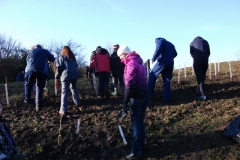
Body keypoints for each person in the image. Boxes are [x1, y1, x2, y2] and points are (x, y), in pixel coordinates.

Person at [117, 45, 149, 159]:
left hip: (136, 98)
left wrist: (125, 102)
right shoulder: (139, 62)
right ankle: (142, 147)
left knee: (136, 124)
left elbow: (130, 86)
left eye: (121, 56)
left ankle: (136, 151)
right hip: (145, 95)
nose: (120, 59)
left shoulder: (130, 64)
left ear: (126, 54)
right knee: (140, 123)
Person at [148, 37, 177, 103]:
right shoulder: (171, 44)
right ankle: (167, 99)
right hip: (170, 63)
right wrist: (169, 58)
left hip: (162, 62)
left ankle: (150, 94)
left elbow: (158, 48)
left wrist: (153, 58)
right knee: (167, 80)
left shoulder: (159, 41)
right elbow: (175, 53)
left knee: (152, 75)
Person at [55, 46, 81, 116]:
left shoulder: (61, 57)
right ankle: (77, 102)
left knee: (64, 92)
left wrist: (57, 76)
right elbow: (76, 66)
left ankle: (63, 110)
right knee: (74, 88)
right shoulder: (73, 57)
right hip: (74, 75)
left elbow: (59, 67)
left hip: (65, 76)